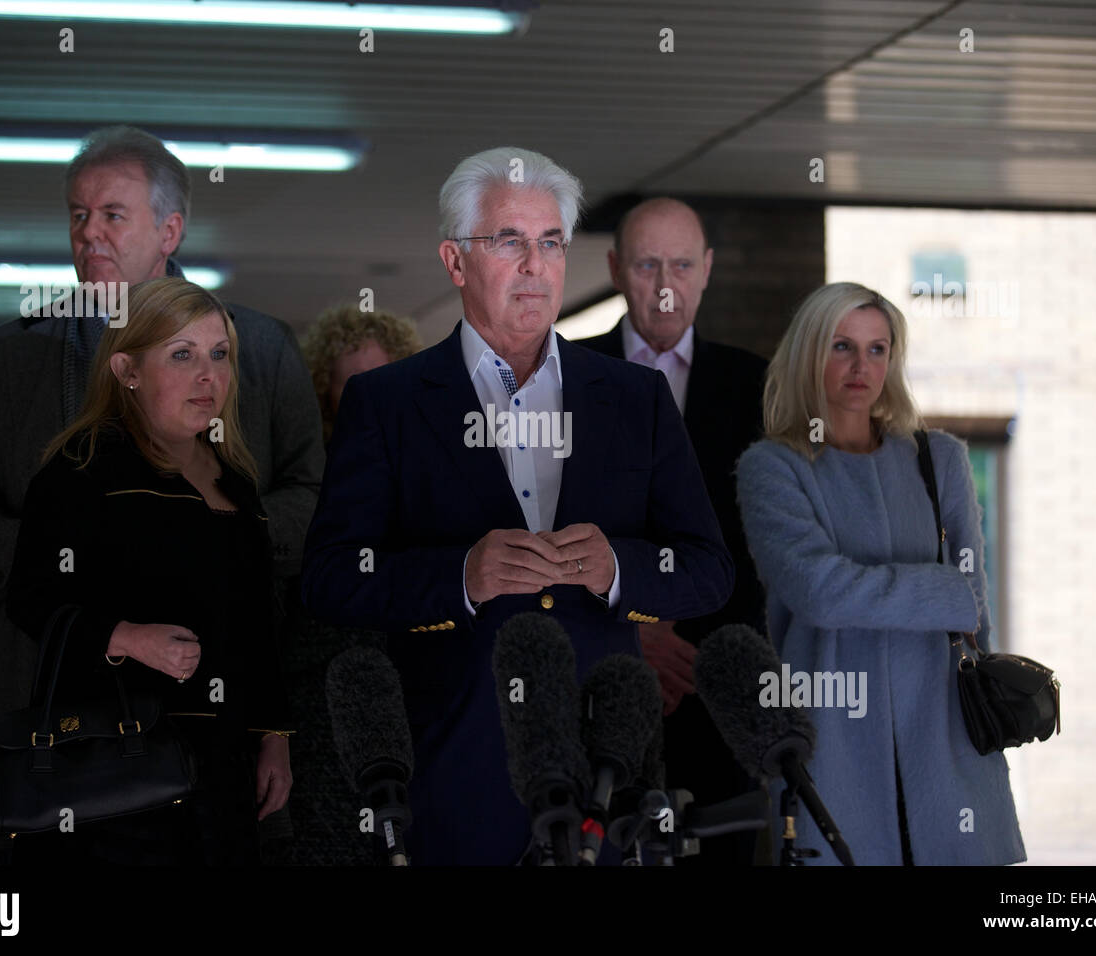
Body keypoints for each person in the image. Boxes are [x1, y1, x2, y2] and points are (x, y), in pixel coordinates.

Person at [299, 147, 734, 866]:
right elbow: (332, 577)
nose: (535, 265)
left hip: (606, 780)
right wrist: (458, 578)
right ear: (454, 260)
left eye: (551, 242)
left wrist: (619, 569)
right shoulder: (389, 403)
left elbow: (709, 570)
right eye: (508, 241)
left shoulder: (634, 398)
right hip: (456, 769)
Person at [0, 125, 323, 855]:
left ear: (171, 229)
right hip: (59, 701)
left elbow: (311, 491)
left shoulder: (259, 349)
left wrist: (211, 551)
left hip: (215, 700)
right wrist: (80, 565)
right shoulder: (8, 357)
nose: (89, 235)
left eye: (113, 215)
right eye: (78, 215)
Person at [736, 281, 1025, 865]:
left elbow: (976, 610)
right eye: (841, 346)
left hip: (949, 739)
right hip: (833, 740)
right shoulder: (773, 467)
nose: (860, 366)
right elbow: (821, 592)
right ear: (809, 353)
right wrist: (941, 591)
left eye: (877, 348)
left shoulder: (938, 459)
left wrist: (950, 599)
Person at [4, 277, 292, 865]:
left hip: (224, 762)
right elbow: (30, 597)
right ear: (127, 370)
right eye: (181, 355)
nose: (208, 375)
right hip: (121, 763)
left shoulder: (235, 479)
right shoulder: (81, 469)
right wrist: (125, 638)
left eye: (219, 354)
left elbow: (262, 622)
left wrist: (275, 738)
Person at [580, 197, 768, 866]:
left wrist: (686, 645)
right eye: (647, 264)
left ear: (709, 268)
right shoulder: (562, 379)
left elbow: (766, 548)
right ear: (613, 268)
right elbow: (548, 526)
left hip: (718, 692)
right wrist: (634, 629)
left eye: (683, 264)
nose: (666, 285)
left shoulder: (760, 388)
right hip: (600, 686)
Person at [271, 304, 421, 865]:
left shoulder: (429, 472)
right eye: (350, 385)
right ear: (324, 393)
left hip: (412, 698)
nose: (367, 397)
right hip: (319, 704)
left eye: (380, 380)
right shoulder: (306, 480)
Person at [303, 304, 423, 443]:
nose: (371, 399)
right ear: (324, 391)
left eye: (383, 383)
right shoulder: (312, 459)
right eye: (356, 387)